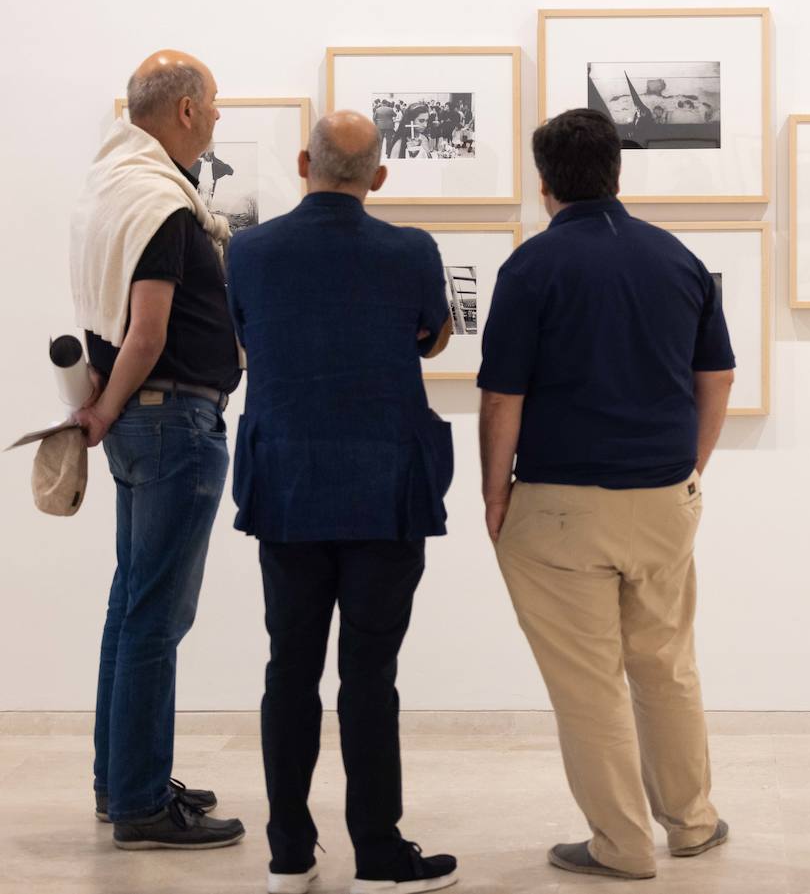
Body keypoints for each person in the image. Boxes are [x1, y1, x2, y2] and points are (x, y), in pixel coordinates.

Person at [478, 108, 735, 881]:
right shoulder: (676, 258)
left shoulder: (533, 267)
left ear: (544, 180)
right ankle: (690, 823)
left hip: (560, 504)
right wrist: (691, 464)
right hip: (663, 496)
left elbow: (501, 399)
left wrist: (495, 496)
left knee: (588, 682)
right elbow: (716, 375)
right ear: (618, 174)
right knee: (665, 663)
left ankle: (620, 845)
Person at [226, 111, 458, 894]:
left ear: (302, 163)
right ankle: (378, 851)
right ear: (379, 178)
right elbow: (433, 335)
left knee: (289, 667)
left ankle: (289, 852)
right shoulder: (411, 249)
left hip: (288, 486)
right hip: (383, 488)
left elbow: (246, 338)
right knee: (370, 673)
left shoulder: (249, 250)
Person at [69, 50, 246, 849]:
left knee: (130, 606)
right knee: (154, 617)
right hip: (170, 421)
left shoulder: (113, 188)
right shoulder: (163, 205)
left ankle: (123, 780)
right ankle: (140, 802)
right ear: (183, 111)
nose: (216, 118)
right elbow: (147, 332)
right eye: (212, 105)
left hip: (143, 424)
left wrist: (107, 411)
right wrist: (105, 408)